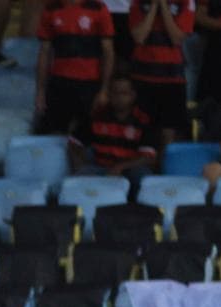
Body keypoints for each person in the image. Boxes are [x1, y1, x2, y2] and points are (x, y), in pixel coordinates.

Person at [36, 0, 115, 135]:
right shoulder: (51, 9)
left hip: (89, 84)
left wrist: (104, 90)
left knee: (86, 135)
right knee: (52, 132)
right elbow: (44, 53)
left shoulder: (98, 8)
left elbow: (108, 52)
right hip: (59, 84)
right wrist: (41, 92)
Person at [69, 75, 160, 184]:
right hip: (101, 169)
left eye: (124, 93)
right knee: (80, 176)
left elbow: (148, 157)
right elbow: (74, 143)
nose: (119, 97)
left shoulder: (143, 120)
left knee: (144, 178)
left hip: (129, 170)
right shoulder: (97, 116)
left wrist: (120, 167)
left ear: (133, 95)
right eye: (115, 93)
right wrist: (79, 163)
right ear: (109, 94)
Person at [128, 0, 194, 144]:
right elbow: (139, 36)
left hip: (172, 77)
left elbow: (177, 38)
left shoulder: (185, 2)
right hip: (142, 75)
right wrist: (153, 6)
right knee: (141, 133)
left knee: (168, 134)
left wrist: (163, 5)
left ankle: (164, 165)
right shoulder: (138, 2)